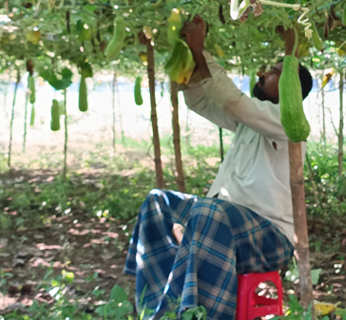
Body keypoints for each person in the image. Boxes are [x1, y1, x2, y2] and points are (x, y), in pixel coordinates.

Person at [124, 16, 313, 320]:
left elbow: (234, 102)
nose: (264, 74)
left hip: (270, 238)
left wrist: (201, 51)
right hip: (227, 224)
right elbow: (203, 101)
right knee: (159, 202)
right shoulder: (251, 124)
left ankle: (202, 314)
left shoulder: (290, 124)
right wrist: (188, 60)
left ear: (292, 87)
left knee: (209, 212)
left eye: (275, 72)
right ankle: (159, 307)